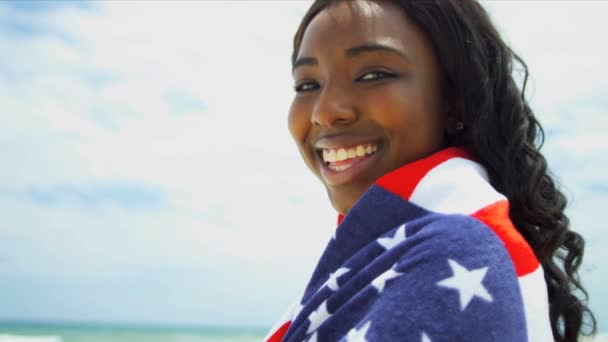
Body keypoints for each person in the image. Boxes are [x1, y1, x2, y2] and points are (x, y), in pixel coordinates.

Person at [265, 1, 595, 341]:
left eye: (373, 75)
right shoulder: (397, 251)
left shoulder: (455, 252)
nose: (325, 111)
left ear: (455, 100)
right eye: (307, 85)